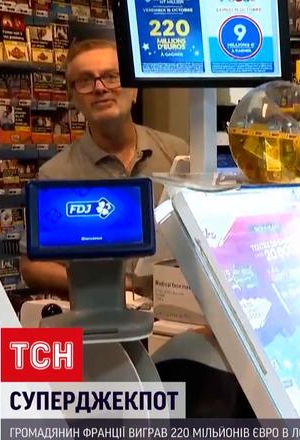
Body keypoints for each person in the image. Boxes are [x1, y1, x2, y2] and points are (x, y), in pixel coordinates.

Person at [19, 39, 189, 296]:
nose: (100, 88)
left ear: (134, 90)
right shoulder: (56, 174)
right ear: (73, 98)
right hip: (98, 313)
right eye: (85, 81)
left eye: (111, 77)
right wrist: (117, 288)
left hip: (173, 312)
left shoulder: (176, 153)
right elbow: (32, 267)